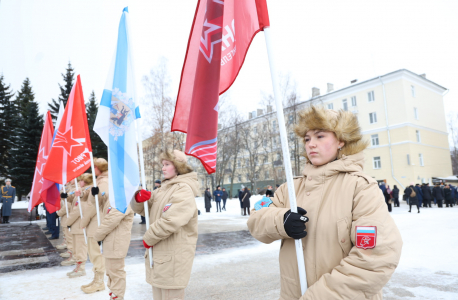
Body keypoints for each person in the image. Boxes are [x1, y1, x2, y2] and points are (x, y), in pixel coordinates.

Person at [248, 106, 402, 299]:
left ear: (340, 140)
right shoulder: (291, 189)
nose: (311, 144)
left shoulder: (361, 188)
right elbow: (256, 217)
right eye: (307, 139)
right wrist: (281, 220)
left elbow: (375, 258)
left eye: (320, 136)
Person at [131, 150, 199, 300]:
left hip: (174, 257)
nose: (163, 168)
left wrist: (148, 238)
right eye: (163, 164)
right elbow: (144, 210)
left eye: (167, 164)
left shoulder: (183, 189)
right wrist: (138, 199)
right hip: (160, 256)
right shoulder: (163, 189)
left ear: (178, 167)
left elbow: (171, 220)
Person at [94, 171, 134, 300]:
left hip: (116, 242)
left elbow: (111, 220)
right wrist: (97, 195)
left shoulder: (123, 198)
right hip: (111, 241)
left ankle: (117, 296)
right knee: (111, 271)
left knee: (116, 272)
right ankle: (114, 294)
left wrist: (98, 236)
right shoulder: (116, 196)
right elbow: (103, 207)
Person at [80, 158, 109, 294]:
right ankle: (96, 279)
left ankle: (99, 282)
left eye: (94, 166)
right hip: (95, 221)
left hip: (96, 221)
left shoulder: (103, 182)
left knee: (96, 253)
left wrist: (83, 222)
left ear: (98, 168)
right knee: (93, 253)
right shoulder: (100, 181)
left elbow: (94, 206)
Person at [66, 174, 93, 277]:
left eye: (81, 180)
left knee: (80, 248)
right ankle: (78, 267)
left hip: (79, 226)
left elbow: (77, 210)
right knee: (77, 248)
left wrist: (68, 222)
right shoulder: (81, 191)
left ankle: (81, 268)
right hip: (76, 226)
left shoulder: (85, 192)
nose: (79, 182)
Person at [56, 181, 74, 252]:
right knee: (66, 233)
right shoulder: (69, 187)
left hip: (68, 214)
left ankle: (71, 252)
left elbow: (68, 204)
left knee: (69, 236)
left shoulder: (74, 188)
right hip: (65, 214)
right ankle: (67, 247)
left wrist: (59, 213)